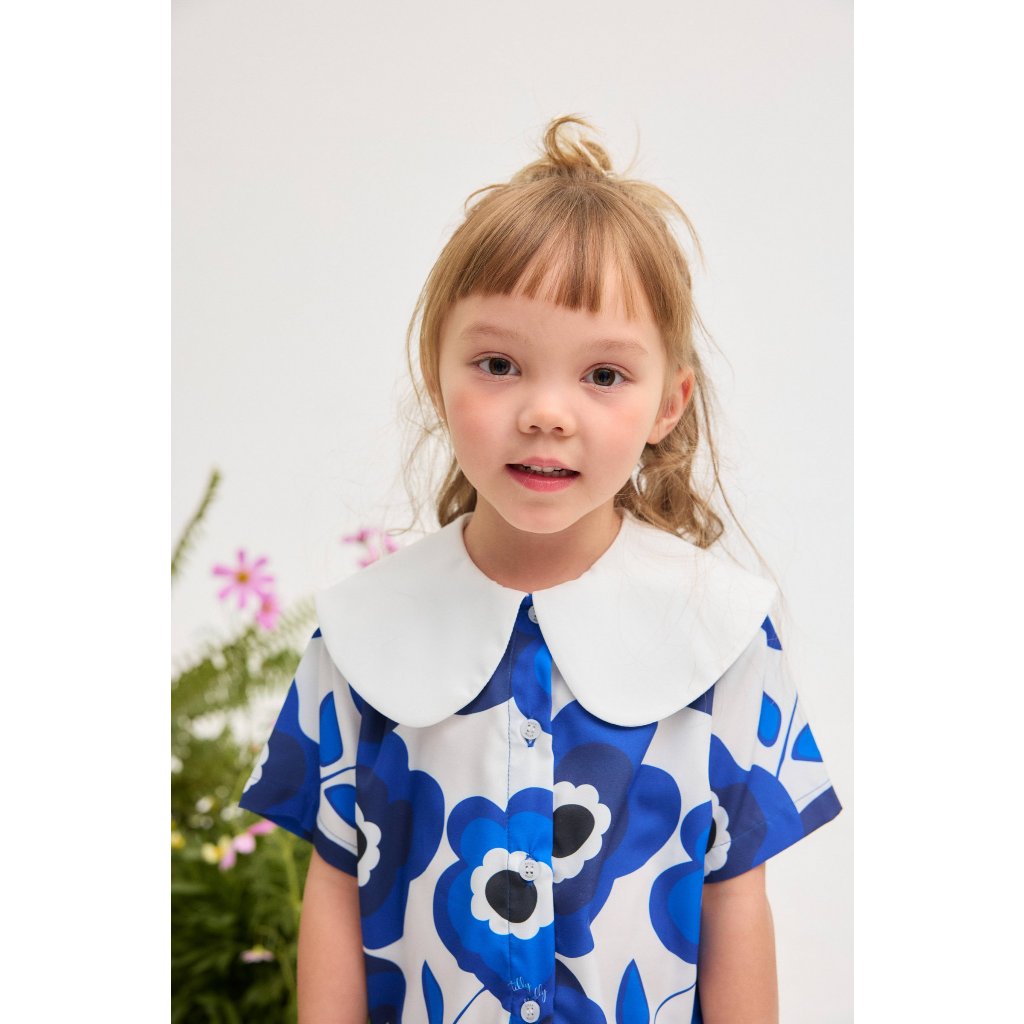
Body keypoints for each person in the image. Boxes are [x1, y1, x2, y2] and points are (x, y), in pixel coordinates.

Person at [239, 114, 842, 1024]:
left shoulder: (720, 637)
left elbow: (735, 901)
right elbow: (333, 886)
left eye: (603, 375)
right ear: (437, 374)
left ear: (669, 402)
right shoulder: (362, 635)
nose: (548, 413)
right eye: (499, 364)